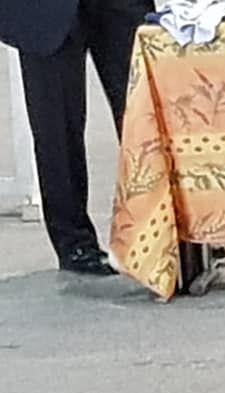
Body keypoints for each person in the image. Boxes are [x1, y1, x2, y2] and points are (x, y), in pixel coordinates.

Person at [0, 0, 152, 275]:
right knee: (55, 129)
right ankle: (75, 244)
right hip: (42, 11)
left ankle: (164, 231)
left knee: (145, 113)